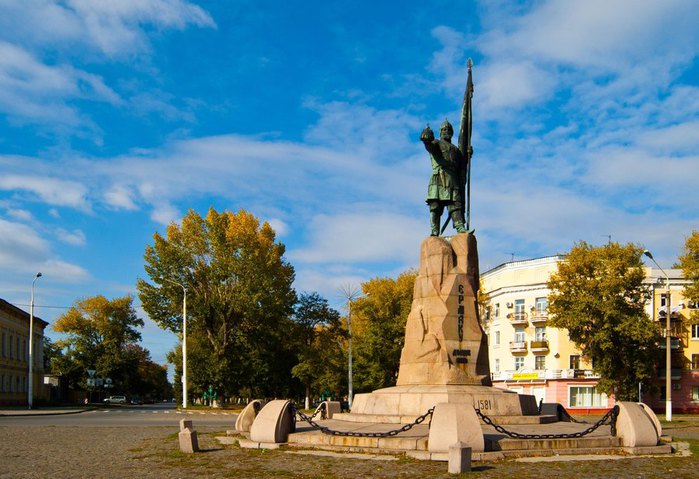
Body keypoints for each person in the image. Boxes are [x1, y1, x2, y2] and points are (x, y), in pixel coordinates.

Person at [420, 119, 467, 235]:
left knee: (455, 205)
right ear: (440, 132)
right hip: (439, 177)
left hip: (452, 178)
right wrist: (427, 140)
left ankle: (459, 226)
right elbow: (430, 147)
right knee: (435, 205)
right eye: (444, 129)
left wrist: (468, 154)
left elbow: (461, 165)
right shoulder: (436, 143)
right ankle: (434, 230)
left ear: (451, 132)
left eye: (448, 129)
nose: (446, 131)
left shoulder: (456, 150)